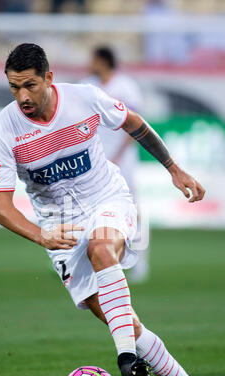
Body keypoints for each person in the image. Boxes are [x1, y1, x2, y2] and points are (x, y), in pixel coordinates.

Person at [0, 43, 206, 376]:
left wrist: (173, 167)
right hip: (58, 224)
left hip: (107, 196)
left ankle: (123, 357)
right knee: (119, 318)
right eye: (14, 87)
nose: (22, 96)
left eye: (30, 85)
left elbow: (134, 123)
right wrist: (42, 234)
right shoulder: (3, 130)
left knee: (102, 247)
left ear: (49, 78)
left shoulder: (84, 98)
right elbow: (0, 205)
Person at [81, 46, 149, 282]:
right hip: (95, 161)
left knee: (133, 207)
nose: (89, 63)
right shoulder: (86, 85)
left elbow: (136, 124)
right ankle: (86, 261)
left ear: (103, 61)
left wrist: (119, 154)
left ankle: (141, 260)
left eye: (92, 59)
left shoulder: (125, 86)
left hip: (122, 160)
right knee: (87, 208)